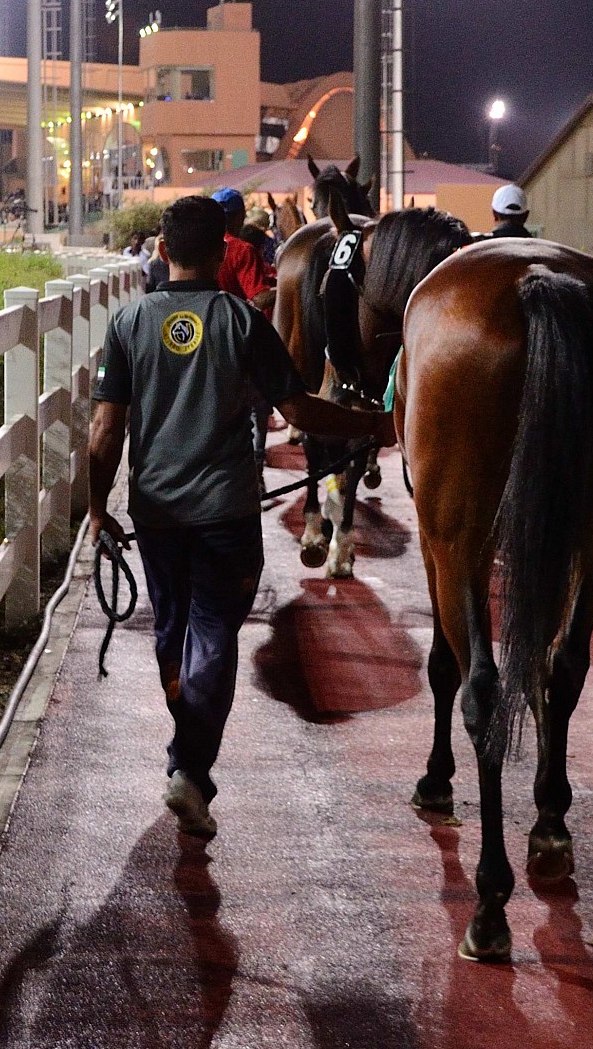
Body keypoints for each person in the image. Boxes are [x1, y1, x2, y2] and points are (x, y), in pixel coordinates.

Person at [88, 195, 394, 839]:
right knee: (213, 637)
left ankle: (186, 758)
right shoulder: (241, 322)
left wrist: (96, 509)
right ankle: (190, 769)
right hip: (224, 512)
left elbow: (104, 431)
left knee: (173, 633)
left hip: (157, 512)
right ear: (224, 250)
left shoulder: (129, 323)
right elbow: (299, 410)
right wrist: (376, 425)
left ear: (162, 251)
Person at [209, 187, 276, 309]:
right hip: (231, 318)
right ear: (240, 216)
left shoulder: (198, 245)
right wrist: (290, 287)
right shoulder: (242, 250)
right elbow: (259, 299)